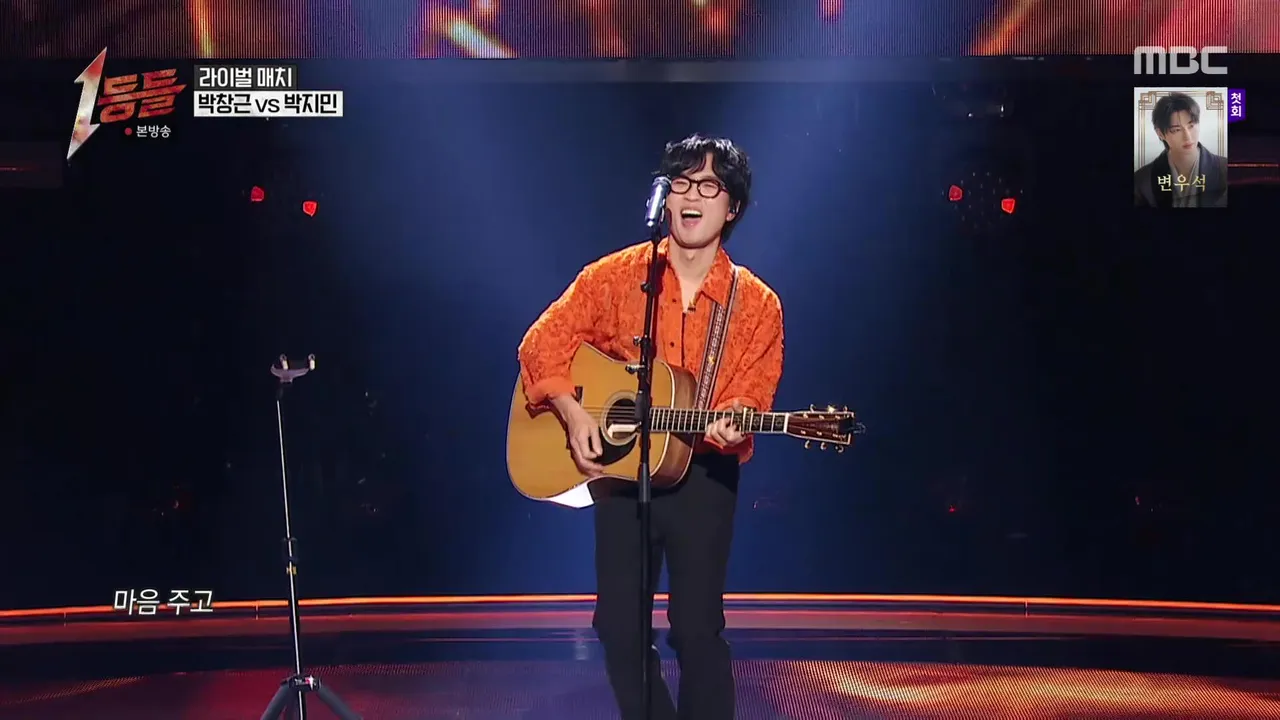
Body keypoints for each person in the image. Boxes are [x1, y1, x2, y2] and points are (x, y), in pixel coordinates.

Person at [516, 134, 784, 720]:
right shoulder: (616, 277)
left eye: (709, 187)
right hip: (622, 475)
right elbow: (541, 342)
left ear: (732, 207)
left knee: (696, 629)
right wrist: (573, 412)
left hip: (703, 476)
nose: (692, 197)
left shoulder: (758, 304)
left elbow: (750, 390)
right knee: (617, 626)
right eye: (681, 183)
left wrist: (736, 418)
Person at [1134, 92, 1229, 208]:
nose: (1187, 137)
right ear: (1160, 134)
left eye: (1191, 126)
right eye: (1176, 130)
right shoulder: (1142, 181)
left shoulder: (1226, 170)